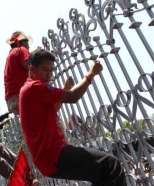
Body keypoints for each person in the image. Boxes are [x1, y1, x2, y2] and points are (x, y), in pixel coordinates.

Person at [19, 49, 126, 186]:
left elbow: (54, 108)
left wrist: (63, 89)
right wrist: (91, 74)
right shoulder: (33, 87)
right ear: (32, 69)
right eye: (45, 69)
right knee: (110, 164)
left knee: (100, 174)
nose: (49, 75)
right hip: (53, 155)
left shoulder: (29, 91)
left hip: (50, 158)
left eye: (52, 71)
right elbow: (73, 96)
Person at [4, 31, 33, 115]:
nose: (29, 46)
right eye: (27, 42)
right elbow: (30, 66)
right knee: (52, 117)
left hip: (11, 99)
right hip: (21, 95)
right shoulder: (22, 49)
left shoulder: (11, 54)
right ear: (22, 42)